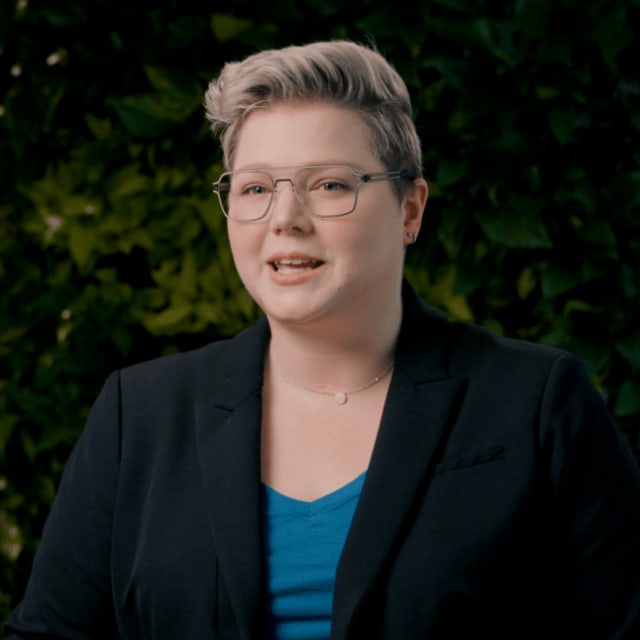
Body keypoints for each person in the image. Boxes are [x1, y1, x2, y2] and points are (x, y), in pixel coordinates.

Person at [4, 39, 640, 640]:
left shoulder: (536, 403)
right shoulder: (137, 415)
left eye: (329, 184)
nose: (285, 219)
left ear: (410, 209)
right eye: (255, 188)